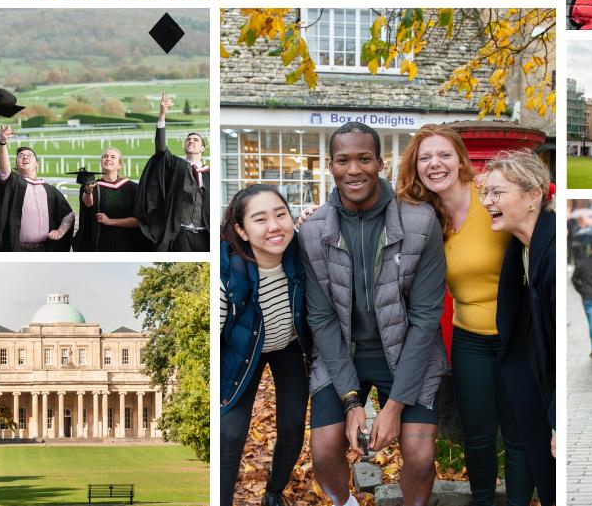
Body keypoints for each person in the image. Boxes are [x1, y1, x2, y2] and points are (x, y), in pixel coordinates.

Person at [299, 122, 447, 506]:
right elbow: (322, 319)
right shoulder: (312, 232)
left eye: (364, 159)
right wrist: (352, 404)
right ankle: (345, 503)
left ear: (380, 163)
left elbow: (427, 317)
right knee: (325, 449)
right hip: (343, 355)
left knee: (419, 455)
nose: (354, 169)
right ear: (329, 165)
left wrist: (394, 406)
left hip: (407, 352)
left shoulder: (420, 221)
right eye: (343, 160)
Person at [394, 126, 528, 506]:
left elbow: (537, 211)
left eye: (444, 155)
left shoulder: (491, 195)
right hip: (468, 338)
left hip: (514, 334)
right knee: (478, 433)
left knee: (516, 433)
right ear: (415, 167)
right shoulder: (422, 217)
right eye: (425, 158)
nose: (435, 164)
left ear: (461, 159)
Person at [220, 185, 309, 506]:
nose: (274, 226)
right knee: (229, 434)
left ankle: (274, 491)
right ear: (241, 230)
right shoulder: (225, 273)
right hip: (240, 350)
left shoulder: (302, 251)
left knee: (293, 424)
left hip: (288, 344)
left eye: (280, 214)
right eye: (260, 219)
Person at [480, 148, 558, 506]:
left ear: (532, 196)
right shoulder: (520, 245)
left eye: (497, 192)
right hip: (530, 379)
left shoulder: (555, 248)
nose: (487, 201)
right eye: (485, 192)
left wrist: (559, 420)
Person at [137, 93, 209, 251]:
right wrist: (162, 114)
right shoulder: (177, 165)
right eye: (188, 140)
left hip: (205, 235)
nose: (191, 141)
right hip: (181, 233)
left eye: (196, 140)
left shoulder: (210, 173)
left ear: (203, 148)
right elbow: (161, 148)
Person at [0, 125, 74, 252]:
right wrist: (2, 142)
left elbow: (69, 215)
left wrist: (60, 232)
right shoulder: (14, 184)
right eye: (21, 156)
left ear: (37, 164)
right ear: (16, 165)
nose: (25, 157)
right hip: (18, 249)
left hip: (45, 250)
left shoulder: (49, 190)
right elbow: (3, 169)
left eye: (29, 155)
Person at [75, 147, 149, 252]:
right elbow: (88, 204)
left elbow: (139, 220)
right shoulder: (91, 185)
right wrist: (88, 191)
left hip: (126, 243)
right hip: (99, 244)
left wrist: (110, 221)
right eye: (105, 156)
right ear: (101, 162)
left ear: (119, 165)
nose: (108, 159)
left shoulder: (133, 188)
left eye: (113, 157)